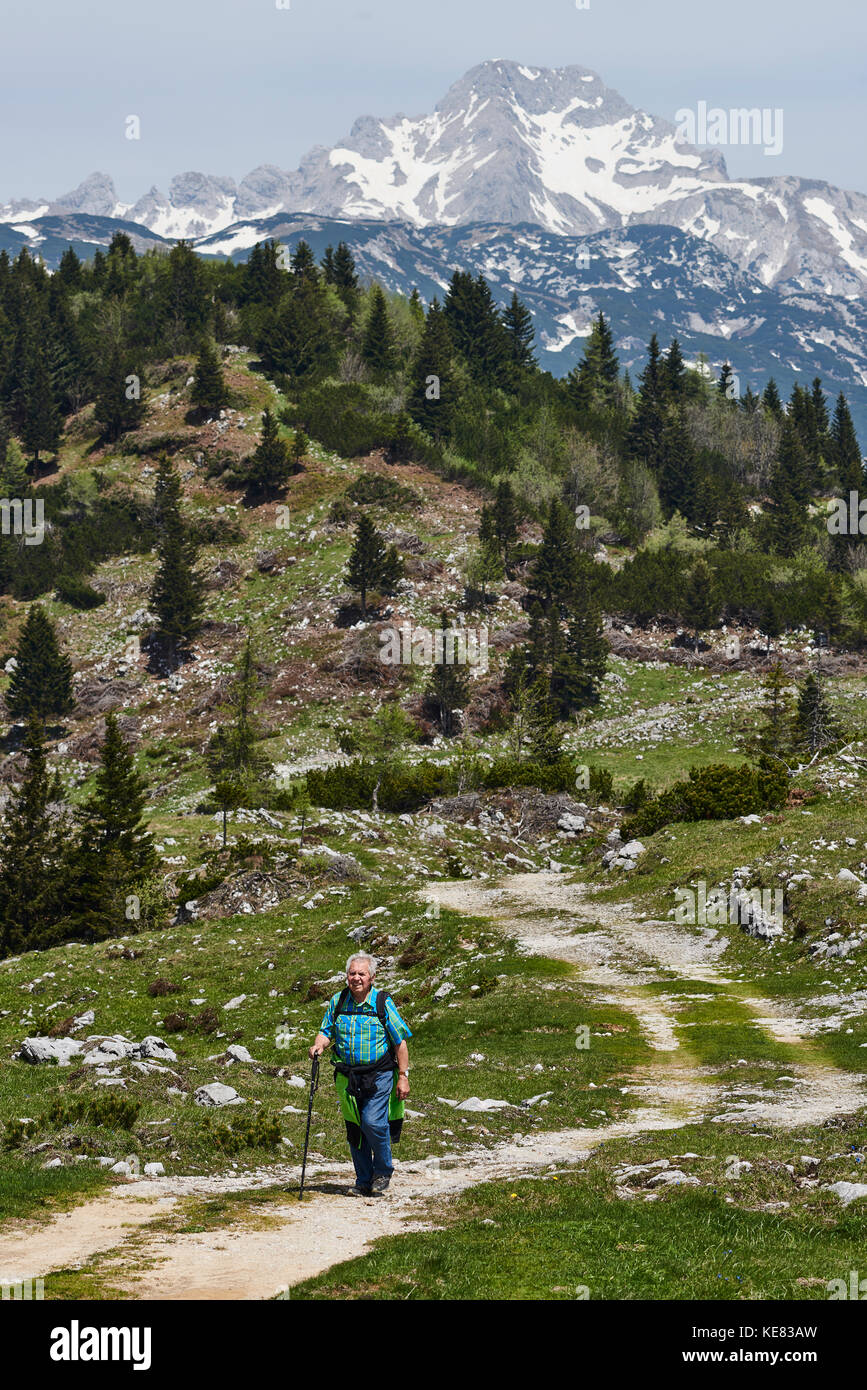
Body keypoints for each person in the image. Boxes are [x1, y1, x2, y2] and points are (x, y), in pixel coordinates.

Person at [309, 952, 412, 1197]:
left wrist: (403, 1075)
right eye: (352, 973)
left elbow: (400, 1043)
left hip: (378, 1074)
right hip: (347, 1076)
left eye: (361, 974)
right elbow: (326, 1031)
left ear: (372, 977)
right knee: (355, 1129)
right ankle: (363, 1180)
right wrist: (318, 1046)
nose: (356, 978)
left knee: (372, 1121)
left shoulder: (382, 1003)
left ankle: (383, 1170)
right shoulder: (338, 1001)